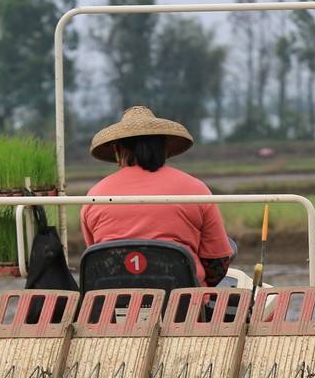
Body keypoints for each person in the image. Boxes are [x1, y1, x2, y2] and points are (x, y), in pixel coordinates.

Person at [82, 106, 234, 287]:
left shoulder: (94, 196)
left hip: (112, 304)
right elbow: (218, 262)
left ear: (117, 149)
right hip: (184, 304)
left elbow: (97, 257)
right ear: (164, 147)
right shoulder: (195, 189)